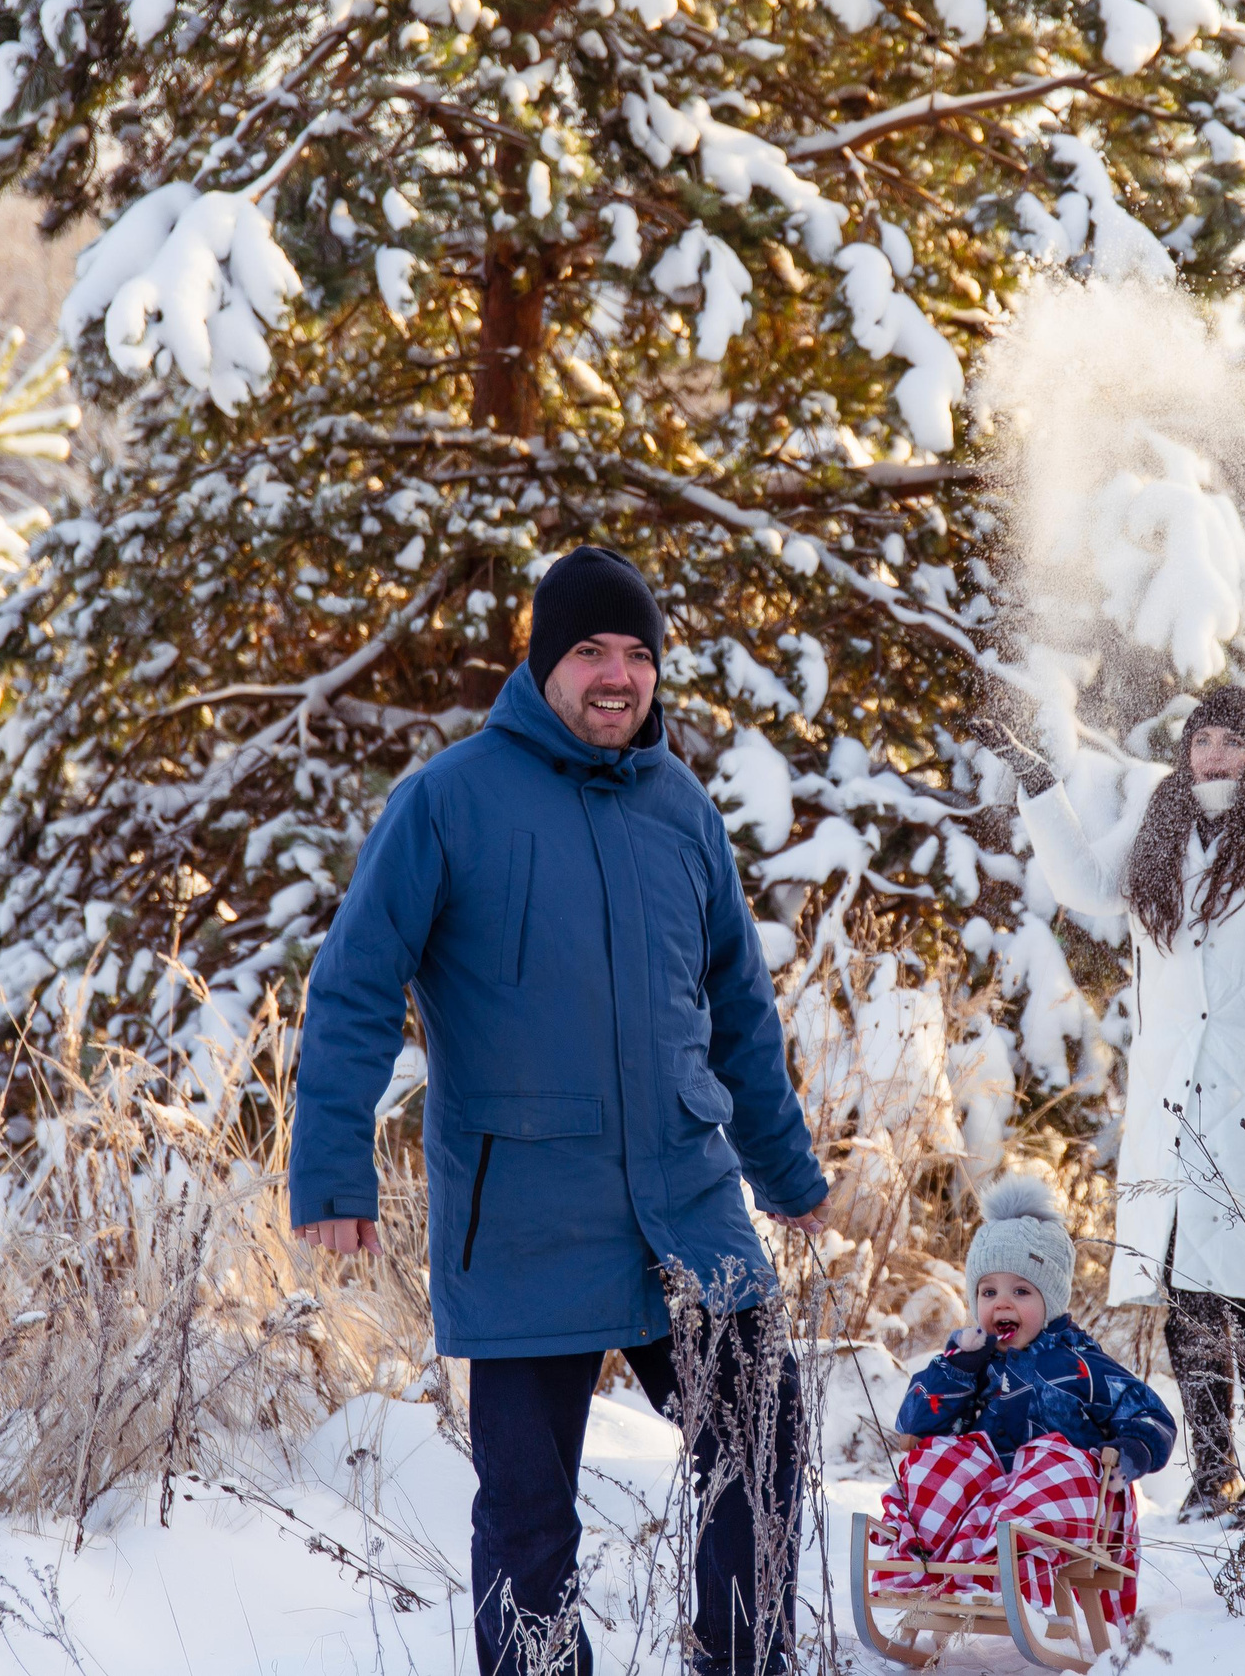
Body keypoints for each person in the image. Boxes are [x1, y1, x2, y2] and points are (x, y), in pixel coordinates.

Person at [288, 545, 831, 1676]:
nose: (617, 676)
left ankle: (743, 1660)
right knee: (531, 1519)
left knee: (762, 1433)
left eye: (637, 654)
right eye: (590, 651)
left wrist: (785, 1172)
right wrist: (334, 1171)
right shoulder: (449, 800)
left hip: (687, 1202)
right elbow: (352, 985)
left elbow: (738, 1007)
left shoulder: (681, 810)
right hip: (526, 1214)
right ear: (542, 664)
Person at [981, 687, 1245, 1522]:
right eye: (1202, 739)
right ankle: (1213, 1472)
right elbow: (1088, 884)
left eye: (1231, 742)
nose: (1213, 755)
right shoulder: (1157, 827)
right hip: (1172, 1096)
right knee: (1190, 1294)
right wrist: (1040, 787)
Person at [873, 1174, 1175, 1621]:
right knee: (939, 1460)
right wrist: (958, 1368)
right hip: (989, 1506)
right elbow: (914, 1425)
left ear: (1050, 1300)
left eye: (1021, 1291)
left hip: (1068, 1504)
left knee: (1050, 1457)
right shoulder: (974, 1364)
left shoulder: (1080, 1364)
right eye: (988, 1291)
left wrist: (1132, 1450)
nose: (1002, 1303)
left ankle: (1004, 1576)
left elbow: (1151, 1415)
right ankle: (924, 1569)